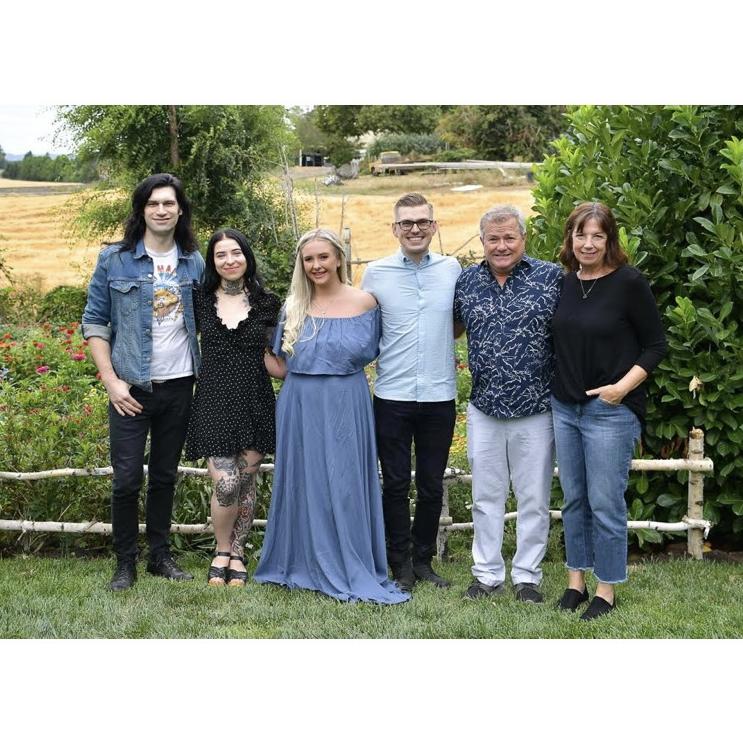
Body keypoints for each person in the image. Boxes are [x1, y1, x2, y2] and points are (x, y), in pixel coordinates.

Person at [254, 228, 409, 605]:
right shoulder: (294, 305)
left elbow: (386, 349)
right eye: (308, 259)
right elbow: (281, 365)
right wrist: (248, 342)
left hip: (346, 401)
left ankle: (349, 561)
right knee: (303, 481)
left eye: (323, 257)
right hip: (300, 402)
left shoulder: (366, 302)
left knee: (346, 483)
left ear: (338, 257)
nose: (316, 265)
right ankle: (301, 559)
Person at [82, 173, 205, 591]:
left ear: (180, 210)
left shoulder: (194, 261)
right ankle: (125, 562)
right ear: (141, 210)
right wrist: (111, 381)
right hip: (130, 388)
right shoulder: (114, 260)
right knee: (127, 478)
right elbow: (95, 322)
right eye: (153, 203)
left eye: (169, 203)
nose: (161, 210)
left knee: (165, 475)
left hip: (180, 385)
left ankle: (159, 556)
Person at [551, 201, 666, 620]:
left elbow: (656, 345)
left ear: (609, 239)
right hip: (565, 407)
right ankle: (575, 583)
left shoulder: (629, 282)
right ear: (570, 238)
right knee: (574, 500)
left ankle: (606, 589)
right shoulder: (565, 283)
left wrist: (620, 389)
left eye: (597, 235)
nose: (588, 243)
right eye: (581, 234)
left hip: (609, 411)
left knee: (605, 502)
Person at [454, 205, 562, 604]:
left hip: (536, 408)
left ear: (523, 239)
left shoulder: (551, 278)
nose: (501, 246)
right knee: (486, 497)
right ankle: (486, 575)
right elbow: (452, 328)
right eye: (493, 239)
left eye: (509, 238)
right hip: (484, 407)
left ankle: (527, 577)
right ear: (482, 241)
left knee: (534, 498)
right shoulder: (466, 281)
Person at [361, 193, 462, 591]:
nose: (415, 229)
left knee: (432, 484)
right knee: (396, 483)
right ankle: (399, 563)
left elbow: (458, 323)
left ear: (434, 226)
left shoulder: (452, 269)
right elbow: (363, 327)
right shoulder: (376, 273)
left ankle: (423, 561)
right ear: (395, 229)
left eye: (422, 222)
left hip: (439, 394)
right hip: (393, 395)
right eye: (407, 223)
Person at [184, 228, 280, 587]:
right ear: (212, 262)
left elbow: (277, 354)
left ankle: (237, 553)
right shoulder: (198, 299)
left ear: (247, 257)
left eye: (236, 252)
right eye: (221, 254)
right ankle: (221, 549)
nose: (230, 260)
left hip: (255, 400)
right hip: (213, 401)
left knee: (246, 483)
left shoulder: (268, 303)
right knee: (226, 484)